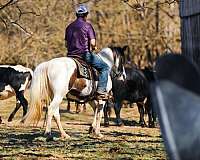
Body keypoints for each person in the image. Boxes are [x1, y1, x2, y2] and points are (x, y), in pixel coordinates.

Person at [65, 4, 110, 99]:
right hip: (84, 55)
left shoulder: (69, 27)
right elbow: (93, 43)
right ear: (86, 15)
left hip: (70, 56)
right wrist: (94, 47)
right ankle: (101, 92)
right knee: (105, 67)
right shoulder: (87, 26)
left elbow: (66, 45)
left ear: (76, 15)